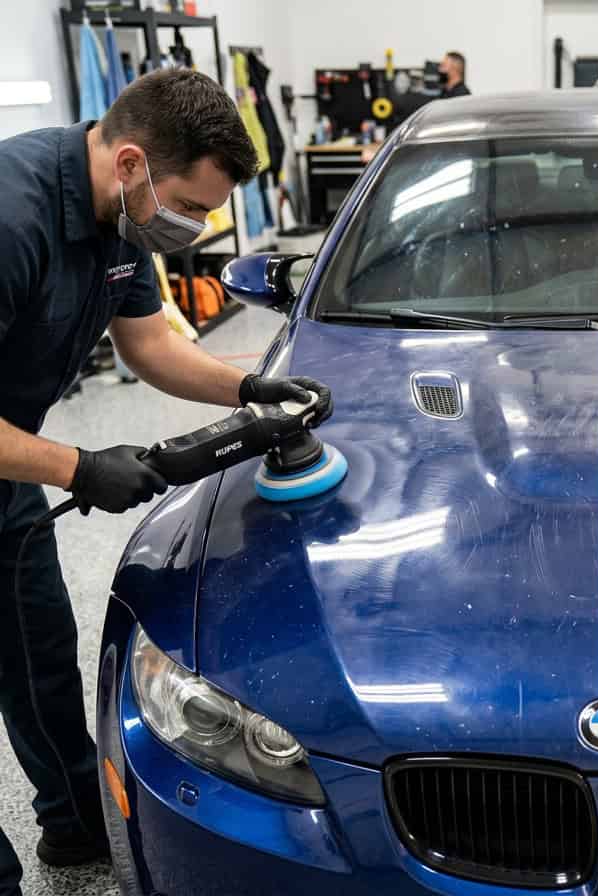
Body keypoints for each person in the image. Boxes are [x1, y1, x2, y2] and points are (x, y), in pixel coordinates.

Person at [0, 68, 332, 896]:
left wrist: (254, 386)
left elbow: (149, 347)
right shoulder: (12, 220)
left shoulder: (124, 217)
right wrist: (80, 467)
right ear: (133, 162)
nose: (202, 224)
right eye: (196, 200)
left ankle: (74, 831)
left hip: (7, 462)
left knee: (37, 653)